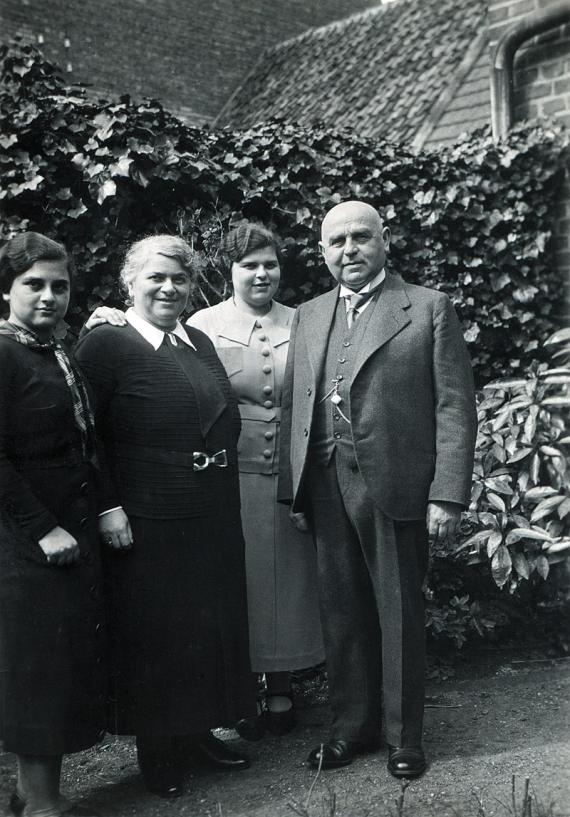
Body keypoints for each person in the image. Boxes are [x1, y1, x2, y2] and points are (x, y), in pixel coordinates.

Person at [278, 201, 477, 778]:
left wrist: (447, 493)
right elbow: (297, 405)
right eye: (336, 242)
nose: (349, 251)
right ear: (322, 252)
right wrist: (296, 489)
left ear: (384, 241)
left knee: (397, 612)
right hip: (323, 482)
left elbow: (455, 405)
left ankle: (402, 738)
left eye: (360, 237)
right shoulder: (309, 315)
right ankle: (349, 730)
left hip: (396, 485)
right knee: (341, 614)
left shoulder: (427, 307)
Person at [75, 235, 255, 799]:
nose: (168, 288)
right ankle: (159, 751)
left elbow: (220, 416)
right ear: (130, 283)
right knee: (157, 634)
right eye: (155, 277)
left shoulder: (196, 339)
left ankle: (197, 734)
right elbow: (86, 437)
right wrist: (108, 506)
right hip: (147, 514)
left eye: (178, 278)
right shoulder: (106, 345)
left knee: (205, 626)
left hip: (210, 509)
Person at [187, 223, 324, 736]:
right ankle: (240, 694)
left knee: (288, 586)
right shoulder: (202, 325)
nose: (261, 274)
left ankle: (283, 689)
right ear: (231, 270)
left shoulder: (306, 320)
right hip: (231, 480)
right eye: (249, 265)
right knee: (239, 584)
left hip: (290, 474)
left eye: (269, 263)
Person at [0, 232, 106, 817]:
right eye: (33, 285)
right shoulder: (3, 352)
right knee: (36, 667)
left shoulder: (56, 349)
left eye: (59, 286)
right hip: (24, 539)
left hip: (71, 529)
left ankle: (33, 794)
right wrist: (42, 528)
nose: (48, 297)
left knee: (59, 662)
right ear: (6, 289)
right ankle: (40, 803)